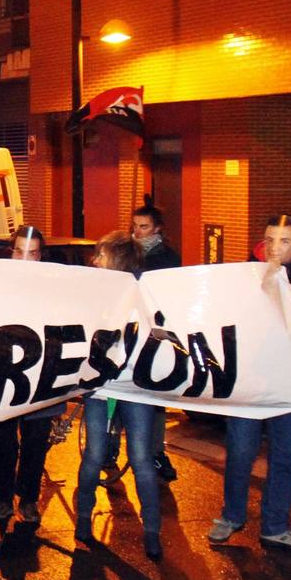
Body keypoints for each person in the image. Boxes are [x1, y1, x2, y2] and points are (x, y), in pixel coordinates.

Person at [208, 214, 291, 552]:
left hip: (289, 386)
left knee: (284, 457)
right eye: (270, 239)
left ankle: (275, 526)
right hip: (250, 383)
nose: (276, 248)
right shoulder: (244, 278)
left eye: (284, 241)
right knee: (241, 452)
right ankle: (231, 516)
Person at [74, 231, 165, 561]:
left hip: (132, 387)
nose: (96, 261)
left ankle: (152, 530)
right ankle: (84, 518)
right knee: (95, 454)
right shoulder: (92, 295)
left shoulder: (143, 297)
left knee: (140, 457)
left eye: (103, 256)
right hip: (102, 386)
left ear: (120, 262)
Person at [0, 227, 64, 526]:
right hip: (4, 376)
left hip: (40, 377)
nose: (25, 259)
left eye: (32, 253)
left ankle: (29, 500)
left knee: (35, 442)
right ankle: (3, 499)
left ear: (40, 256)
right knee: (3, 441)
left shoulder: (54, 288)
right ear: (12, 252)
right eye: (20, 252)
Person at [130, 203, 181, 483]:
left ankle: (156, 452)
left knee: (156, 397)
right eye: (135, 225)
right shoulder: (127, 253)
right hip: (132, 330)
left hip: (157, 334)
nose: (138, 231)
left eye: (144, 226)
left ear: (157, 228)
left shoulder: (168, 258)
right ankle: (112, 450)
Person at [131, 203, 182, 271]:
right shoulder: (124, 250)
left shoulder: (169, 257)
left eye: (143, 227)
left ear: (157, 228)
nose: (136, 232)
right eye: (135, 225)